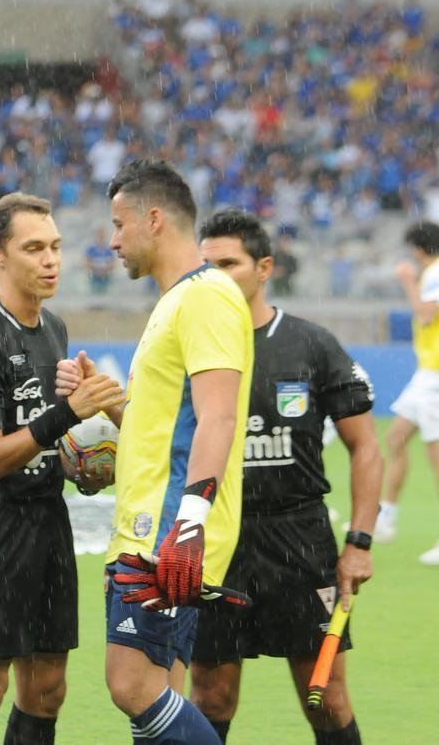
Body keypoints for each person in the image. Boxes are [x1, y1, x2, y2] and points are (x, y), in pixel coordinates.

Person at [59, 159, 253, 744]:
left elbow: (219, 415)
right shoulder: (177, 301)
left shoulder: (207, 297)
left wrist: (189, 525)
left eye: (119, 225)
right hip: (153, 524)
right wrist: (105, 407)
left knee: (131, 685)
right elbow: (168, 426)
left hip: (168, 528)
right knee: (157, 690)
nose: (112, 241)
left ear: (153, 219)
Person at [0, 193, 126, 745]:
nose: (51, 260)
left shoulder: (55, 329)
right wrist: (68, 413)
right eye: (34, 248)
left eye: (56, 247)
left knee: (47, 688)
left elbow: (42, 438)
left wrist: (80, 466)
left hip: (47, 518)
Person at [192, 209, 380, 744]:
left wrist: (359, 544)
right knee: (210, 695)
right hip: (218, 538)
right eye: (206, 268)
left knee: (324, 697)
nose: (216, 277)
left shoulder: (311, 345)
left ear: (264, 267)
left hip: (299, 538)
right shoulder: (192, 344)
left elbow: (365, 449)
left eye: (229, 263)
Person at [377, 221, 439, 562]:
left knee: (436, 460)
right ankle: (386, 517)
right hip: (426, 375)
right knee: (396, 438)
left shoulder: (433, 273)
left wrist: (407, 281)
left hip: (436, 379)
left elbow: (426, 315)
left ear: (419, 248)